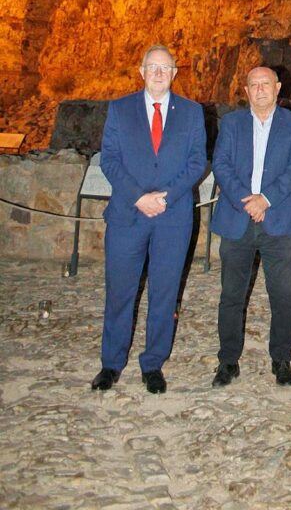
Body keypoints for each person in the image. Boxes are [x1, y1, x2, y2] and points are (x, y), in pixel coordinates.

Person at [91, 45, 206, 394]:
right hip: (128, 214)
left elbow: (197, 162)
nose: (158, 73)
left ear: (174, 73)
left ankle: (153, 363)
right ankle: (111, 363)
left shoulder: (191, 112)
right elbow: (109, 159)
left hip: (172, 217)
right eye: (152, 67)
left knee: (164, 292)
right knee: (120, 291)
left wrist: (165, 197)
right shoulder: (120, 109)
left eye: (165, 67)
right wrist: (138, 197)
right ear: (141, 71)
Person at [209, 66, 291, 388]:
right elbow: (221, 164)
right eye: (254, 84)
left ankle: (281, 358)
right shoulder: (232, 123)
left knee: (283, 295)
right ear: (246, 90)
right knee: (231, 295)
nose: (261, 89)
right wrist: (246, 201)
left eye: (266, 84)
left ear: (278, 88)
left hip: (278, 219)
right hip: (237, 218)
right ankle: (228, 360)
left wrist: (265, 199)